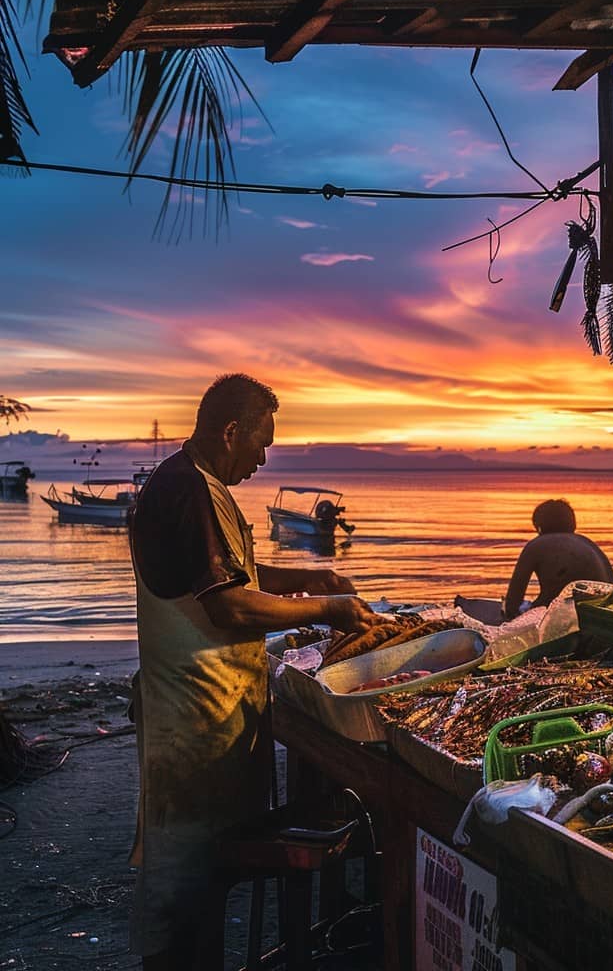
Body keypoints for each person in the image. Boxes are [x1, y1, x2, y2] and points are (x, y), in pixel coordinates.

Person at [127, 373, 377, 970]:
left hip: (213, 716)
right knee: (183, 895)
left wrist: (309, 578)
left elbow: (236, 574)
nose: (265, 459)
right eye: (261, 443)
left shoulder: (199, 483)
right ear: (231, 430)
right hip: (191, 723)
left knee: (209, 887)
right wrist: (330, 608)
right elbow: (229, 604)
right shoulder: (188, 490)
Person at [501, 499, 613, 621]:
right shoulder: (588, 544)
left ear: (539, 526)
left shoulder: (537, 545)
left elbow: (512, 603)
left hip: (571, 621)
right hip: (608, 616)